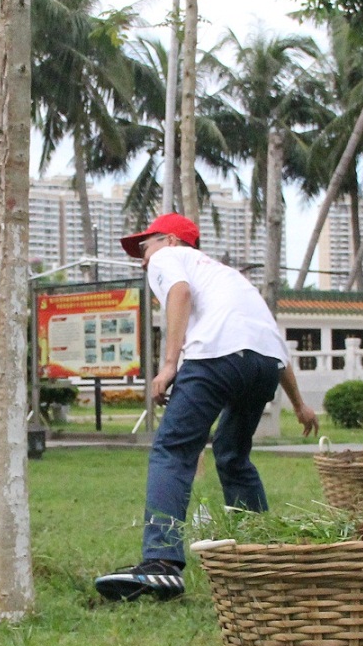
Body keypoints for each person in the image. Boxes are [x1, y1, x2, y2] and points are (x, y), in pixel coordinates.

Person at [94, 213, 319, 601]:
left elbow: (178, 294)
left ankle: (161, 563)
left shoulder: (171, 259)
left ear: (171, 241)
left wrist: (168, 366)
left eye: (144, 248)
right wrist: (299, 405)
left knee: (173, 451)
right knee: (232, 455)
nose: (143, 259)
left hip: (214, 359)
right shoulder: (231, 277)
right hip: (263, 366)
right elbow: (274, 344)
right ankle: (259, 552)